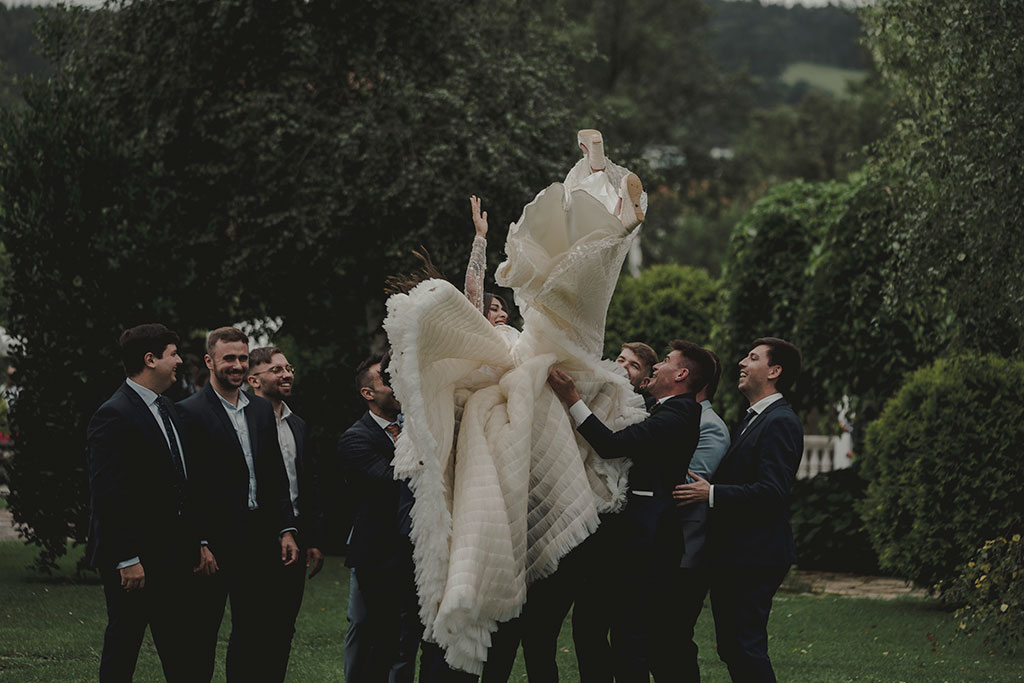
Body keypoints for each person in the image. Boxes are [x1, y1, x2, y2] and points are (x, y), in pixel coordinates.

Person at [383, 129, 648, 675]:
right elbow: (472, 297)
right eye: (494, 313)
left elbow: (519, 326)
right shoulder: (490, 341)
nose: (499, 313)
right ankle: (614, 214)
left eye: (504, 311)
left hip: (540, 364)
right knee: (567, 329)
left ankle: (606, 194)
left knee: (573, 319)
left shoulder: (518, 334)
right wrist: (479, 241)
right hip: (514, 385)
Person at [547, 339, 712, 683]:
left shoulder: (679, 415)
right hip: (635, 542)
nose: (658, 366)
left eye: (666, 361)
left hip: (647, 546)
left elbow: (611, 445)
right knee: (616, 635)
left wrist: (572, 399)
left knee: (631, 640)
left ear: (682, 374)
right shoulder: (663, 407)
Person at [674, 337, 804, 683]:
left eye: (753, 358)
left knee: (744, 646)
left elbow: (773, 493)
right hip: (738, 554)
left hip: (756, 554)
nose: (742, 364)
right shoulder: (753, 419)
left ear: (774, 371)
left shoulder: (780, 421)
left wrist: (710, 492)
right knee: (733, 647)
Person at [175, 326, 299, 682]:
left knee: (253, 636)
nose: (238, 365)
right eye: (229, 358)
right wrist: (197, 541)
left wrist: (286, 528)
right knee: (200, 638)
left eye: (243, 358)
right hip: (211, 546)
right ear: (210, 361)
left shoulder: (260, 410)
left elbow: (276, 475)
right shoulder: (189, 412)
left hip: (257, 542)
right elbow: (186, 486)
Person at [85, 323, 199, 682]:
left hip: (172, 555)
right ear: (150, 359)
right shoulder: (113, 414)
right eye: (173, 353)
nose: (179, 360)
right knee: (124, 648)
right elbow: (109, 493)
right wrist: (127, 558)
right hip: (135, 561)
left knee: (181, 651)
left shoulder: (167, 407)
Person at [339, 355, 421, 683]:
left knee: (408, 638)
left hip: (412, 550)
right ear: (368, 394)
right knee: (372, 634)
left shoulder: (411, 428)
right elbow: (389, 481)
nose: (396, 386)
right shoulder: (355, 438)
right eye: (386, 381)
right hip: (377, 555)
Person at [246, 346, 325, 679]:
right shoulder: (243, 422)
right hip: (253, 537)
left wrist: (312, 538)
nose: (287, 374)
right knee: (252, 629)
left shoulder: (298, 425)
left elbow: (308, 485)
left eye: (288, 368)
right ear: (254, 380)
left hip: (295, 537)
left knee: (284, 627)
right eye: (276, 370)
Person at [664, 349, 731, 682]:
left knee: (673, 641)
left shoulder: (711, 426)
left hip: (688, 550)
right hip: (664, 547)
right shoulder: (673, 414)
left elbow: (688, 487)